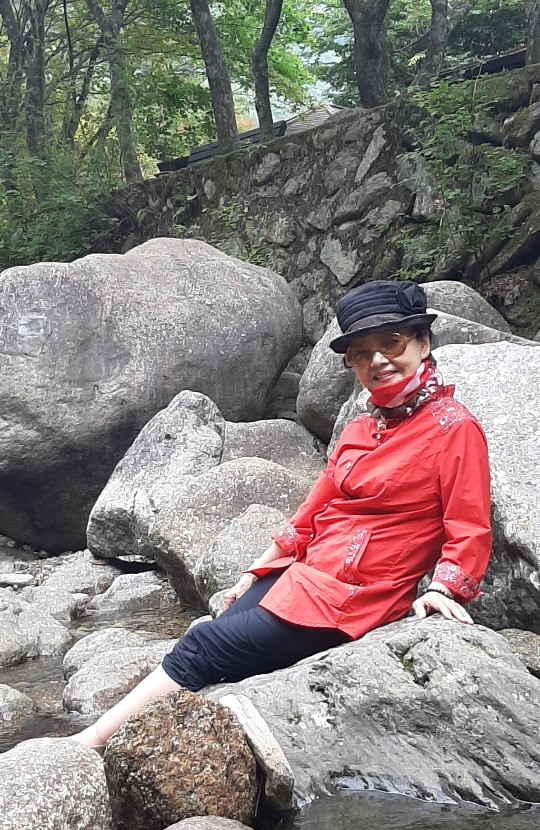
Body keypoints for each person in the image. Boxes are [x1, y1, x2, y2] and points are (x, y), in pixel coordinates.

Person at [73, 280, 492, 753]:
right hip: (309, 574)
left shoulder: (454, 429)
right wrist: (255, 572)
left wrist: (442, 590)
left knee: (201, 648)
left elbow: (469, 525)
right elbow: (313, 509)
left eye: (391, 343)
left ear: (423, 342)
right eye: (361, 353)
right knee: (216, 628)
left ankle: (86, 746)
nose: (377, 361)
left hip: (357, 595)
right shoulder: (361, 427)